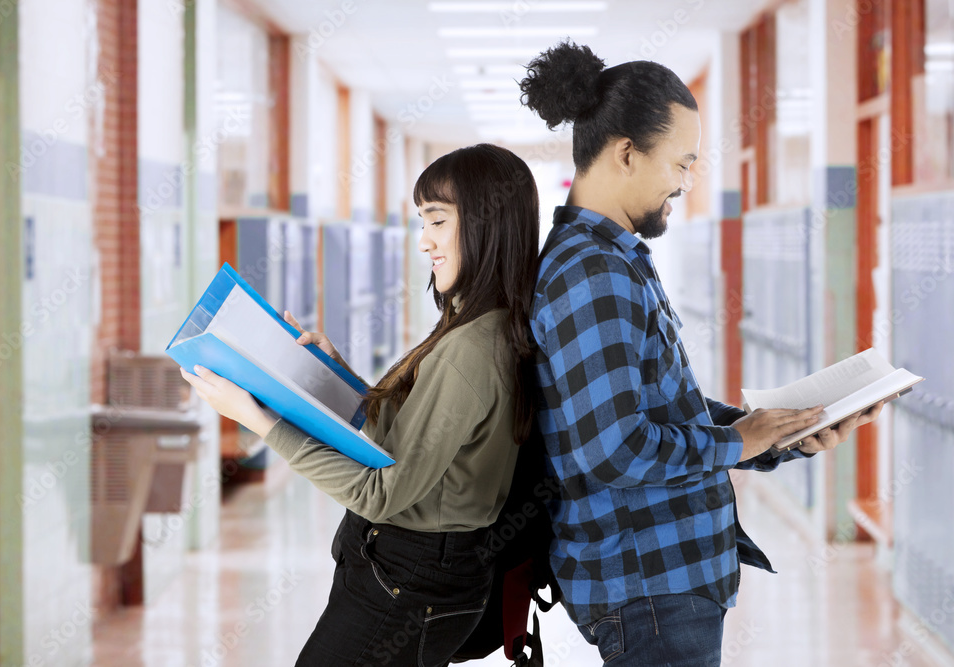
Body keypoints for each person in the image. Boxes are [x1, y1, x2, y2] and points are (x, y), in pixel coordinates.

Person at [519, 41, 885, 666]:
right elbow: (613, 449)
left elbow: (659, 412)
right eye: (682, 164)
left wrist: (780, 435)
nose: (686, 184)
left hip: (664, 581)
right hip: (648, 586)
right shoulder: (591, 274)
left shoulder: (616, 258)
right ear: (627, 154)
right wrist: (740, 442)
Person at [180, 143, 541, 666]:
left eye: (437, 221)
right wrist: (339, 372)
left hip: (411, 582)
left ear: (488, 224)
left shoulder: (471, 349)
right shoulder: (478, 324)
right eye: (421, 222)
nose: (424, 242)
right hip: (414, 572)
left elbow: (379, 490)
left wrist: (258, 419)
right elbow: (411, 432)